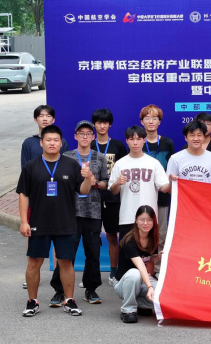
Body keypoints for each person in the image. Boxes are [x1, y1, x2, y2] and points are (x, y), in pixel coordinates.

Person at [17, 125, 92, 317]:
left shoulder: (71, 165)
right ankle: (32, 301)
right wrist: (24, 221)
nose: (52, 143)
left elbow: (83, 191)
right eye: (48, 140)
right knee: (34, 262)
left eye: (56, 140)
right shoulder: (31, 166)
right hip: (38, 221)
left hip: (65, 221)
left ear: (61, 143)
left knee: (66, 262)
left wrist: (87, 179)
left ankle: (70, 300)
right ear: (41, 142)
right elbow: (23, 194)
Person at [50, 120, 109, 306]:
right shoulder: (66, 157)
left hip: (93, 211)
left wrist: (95, 182)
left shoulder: (100, 157)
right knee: (66, 253)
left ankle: (91, 290)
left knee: (93, 253)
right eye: (81, 133)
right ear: (75, 136)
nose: (85, 136)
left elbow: (106, 183)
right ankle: (59, 291)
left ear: (93, 137)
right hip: (70, 212)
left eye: (88, 134)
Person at [108, 126, 171, 241]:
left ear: (144, 140)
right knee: (127, 250)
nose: (135, 143)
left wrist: (172, 181)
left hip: (149, 218)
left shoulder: (154, 163)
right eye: (132, 139)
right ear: (127, 141)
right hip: (127, 217)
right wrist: (117, 183)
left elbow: (164, 187)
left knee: (148, 251)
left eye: (138, 139)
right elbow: (114, 191)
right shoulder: (120, 164)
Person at [91, 108, 128, 285]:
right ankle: (91, 273)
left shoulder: (118, 146)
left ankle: (113, 272)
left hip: (113, 199)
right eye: (99, 122)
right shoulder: (90, 145)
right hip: (92, 198)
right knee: (92, 238)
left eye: (105, 122)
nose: (102, 126)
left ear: (110, 124)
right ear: (94, 124)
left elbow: (124, 170)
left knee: (113, 236)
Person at [139, 104, 174, 275]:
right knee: (142, 232)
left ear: (159, 122)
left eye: (155, 118)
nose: (151, 121)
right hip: (142, 196)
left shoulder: (167, 143)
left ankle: (159, 269)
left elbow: (172, 168)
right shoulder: (138, 142)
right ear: (142, 121)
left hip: (162, 196)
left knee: (161, 233)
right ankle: (141, 268)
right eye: (147, 118)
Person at [114, 206, 159, 324]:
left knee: (162, 295)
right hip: (124, 283)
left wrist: (155, 257)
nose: (146, 223)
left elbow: (147, 263)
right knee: (135, 273)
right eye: (142, 220)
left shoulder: (153, 238)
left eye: (149, 220)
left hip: (142, 281)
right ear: (136, 220)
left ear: (154, 221)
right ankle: (128, 310)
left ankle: (142, 304)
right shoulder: (130, 240)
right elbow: (140, 265)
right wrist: (149, 287)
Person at [167, 121, 211, 185]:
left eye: (199, 135)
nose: (196, 139)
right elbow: (168, 186)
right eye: (192, 135)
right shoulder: (175, 158)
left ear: (204, 137)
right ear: (186, 138)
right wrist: (171, 182)